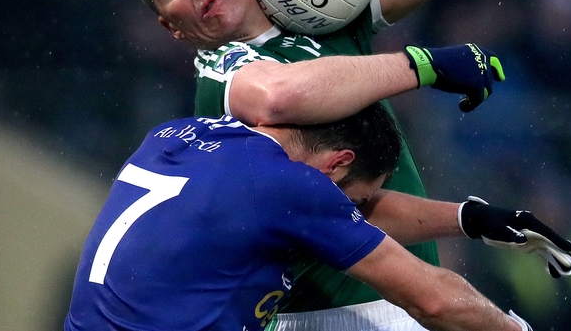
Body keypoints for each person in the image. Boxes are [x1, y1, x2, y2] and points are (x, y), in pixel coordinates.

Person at [129, 0, 571, 327]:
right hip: (323, 313)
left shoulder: (318, 9)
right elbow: (281, 95)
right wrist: (422, 64)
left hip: (409, 295)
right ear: (175, 29)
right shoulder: (221, 80)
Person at [64, 103, 532, 330]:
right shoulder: (294, 188)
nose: (352, 216)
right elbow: (432, 300)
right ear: (337, 163)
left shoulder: (174, 134)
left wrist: (469, 218)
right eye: (355, 203)